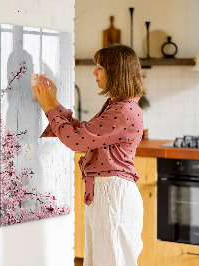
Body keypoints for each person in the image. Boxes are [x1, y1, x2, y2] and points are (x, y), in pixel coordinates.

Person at [32, 44, 145, 266]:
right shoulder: (118, 106)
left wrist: (48, 108)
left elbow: (76, 141)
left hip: (113, 196)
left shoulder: (122, 111)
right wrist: (54, 103)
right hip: (107, 194)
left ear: (116, 71)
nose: (94, 72)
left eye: (100, 67)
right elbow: (84, 134)